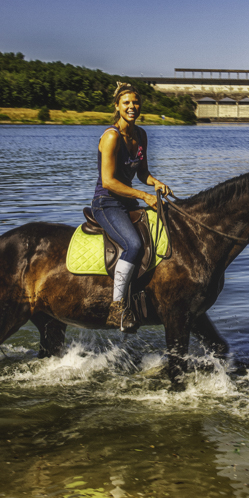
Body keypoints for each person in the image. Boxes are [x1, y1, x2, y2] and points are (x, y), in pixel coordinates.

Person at [91, 83, 172, 331]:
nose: (132, 107)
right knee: (134, 245)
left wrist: (156, 184)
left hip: (129, 202)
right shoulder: (111, 136)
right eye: (126, 103)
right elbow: (108, 181)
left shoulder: (141, 136)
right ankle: (117, 308)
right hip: (107, 203)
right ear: (117, 106)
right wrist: (144, 197)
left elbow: (143, 173)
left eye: (135, 103)